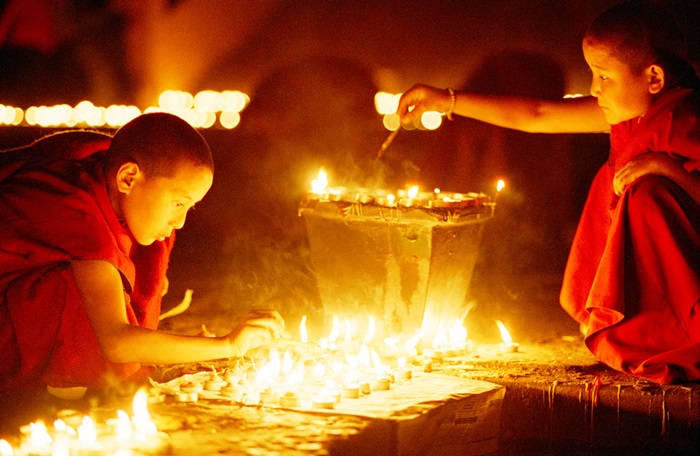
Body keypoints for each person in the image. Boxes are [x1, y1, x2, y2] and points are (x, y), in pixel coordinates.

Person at [397, 0, 700, 384]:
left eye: (603, 77)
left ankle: (673, 336)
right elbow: (537, 115)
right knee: (618, 180)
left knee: (648, 191)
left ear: (654, 78)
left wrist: (666, 167)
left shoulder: (687, 117)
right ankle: (637, 331)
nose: (593, 89)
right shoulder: (634, 111)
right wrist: (446, 100)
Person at [0, 112, 287, 400]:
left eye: (190, 207)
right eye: (178, 202)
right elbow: (117, 341)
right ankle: (49, 390)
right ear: (127, 178)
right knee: (76, 288)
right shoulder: (79, 216)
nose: (180, 222)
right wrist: (229, 346)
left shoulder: (98, 175)